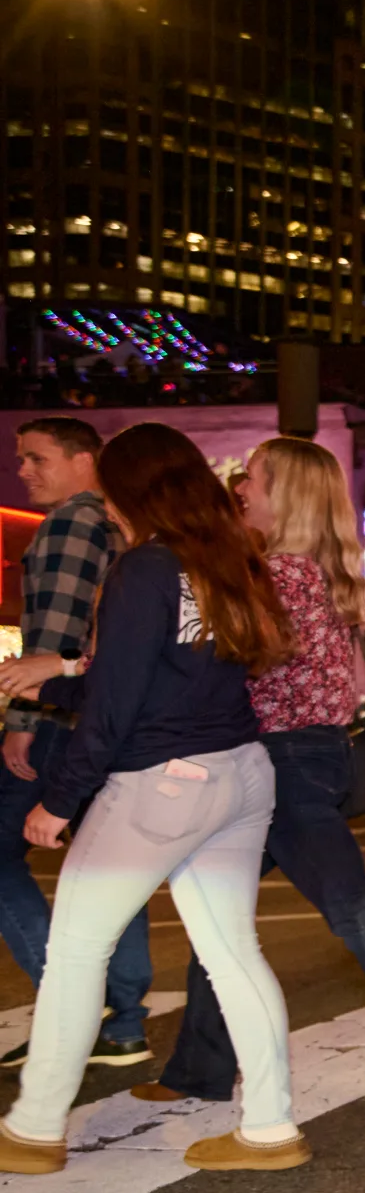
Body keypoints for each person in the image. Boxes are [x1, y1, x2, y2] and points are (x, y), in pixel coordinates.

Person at [140, 437, 365, 1124]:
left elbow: (231, 665)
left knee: (354, 915)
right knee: (220, 913)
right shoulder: (317, 575)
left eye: (255, 477)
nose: (240, 486)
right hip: (301, 759)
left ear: (288, 495)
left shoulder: (280, 575)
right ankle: (198, 1068)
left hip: (284, 765)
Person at [0, 423, 298, 1176]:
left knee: (74, 953)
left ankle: (34, 1128)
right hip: (239, 772)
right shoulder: (231, 563)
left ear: (131, 490)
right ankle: (269, 1128)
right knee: (234, 954)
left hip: (160, 785)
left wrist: (59, 803)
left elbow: (119, 706)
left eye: (109, 491)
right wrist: (61, 675)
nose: (103, 506)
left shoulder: (144, 568)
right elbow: (174, 672)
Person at [0, 417, 153, 1069]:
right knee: (107, 864)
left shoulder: (68, 523)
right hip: (113, 722)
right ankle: (126, 1018)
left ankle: (72, 1004)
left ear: (84, 458)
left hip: (62, 720)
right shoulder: (124, 527)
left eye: (36, 458)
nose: (23, 471)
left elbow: (56, 634)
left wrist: (22, 723)